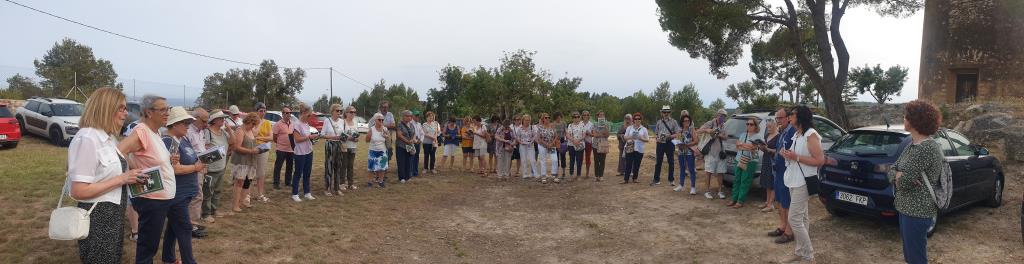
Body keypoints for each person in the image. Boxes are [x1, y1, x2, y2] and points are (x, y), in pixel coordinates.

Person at [67, 87, 144, 263]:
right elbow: (78, 191)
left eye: (126, 108)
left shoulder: (108, 138)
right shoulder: (87, 139)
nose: (126, 113)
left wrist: (131, 174)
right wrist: (122, 178)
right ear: (106, 108)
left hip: (113, 213)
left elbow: (109, 172)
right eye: (121, 108)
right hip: (98, 215)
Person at [118, 94, 178, 264]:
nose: (167, 113)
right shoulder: (142, 131)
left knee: (150, 244)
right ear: (149, 112)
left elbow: (152, 158)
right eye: (163, 109)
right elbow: (119, 151)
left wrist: (168, 160)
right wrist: (135, 170)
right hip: (151, 199)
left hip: (160, 198)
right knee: (147, 247)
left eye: (169, 109)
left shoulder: (155, 131)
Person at [889, 100, 944, 264]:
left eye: (906, 116)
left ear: (915, 120)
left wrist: (899, 176)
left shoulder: (926, 148)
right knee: (910, 254)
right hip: (906, 208)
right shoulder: (912, 145)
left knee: (916, 258)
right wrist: (897, 174)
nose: (903, 119)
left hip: (917, 211)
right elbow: (892, 170)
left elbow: (903, 182)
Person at [779, 105, 826, 263]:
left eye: (792, 114)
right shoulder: (798, 134)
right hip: (794, 178)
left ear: (800, 117)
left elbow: (820, 160)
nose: (789, 116)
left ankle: (808, 256)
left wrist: (796, 157)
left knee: (794, 219)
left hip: (803, 181)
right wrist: (787, 155)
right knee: (803, 218)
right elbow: (794, 156)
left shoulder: (810, 134)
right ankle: (800, 252)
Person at [161, 106, 206, 264]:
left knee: (173, 227)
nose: (188, 125)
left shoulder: (183, 139)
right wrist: (195, 168)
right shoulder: (169, 141)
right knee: (185, 228)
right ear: (174, 124)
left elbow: (191, 159)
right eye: (185, 122)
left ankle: (168, 258)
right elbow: (174, 168)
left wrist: (199, 163)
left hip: (184, 194)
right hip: (176, 195)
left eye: (188, 122)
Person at [768, 108, 797, 244]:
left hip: (787, 172)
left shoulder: (792, 132)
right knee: (779, 200)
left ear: (788, 118)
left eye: (780, 118)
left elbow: (792, 152)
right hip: (778, 171)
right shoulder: (782, 132)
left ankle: (789, 232)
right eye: (777, 118)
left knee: (787, 202)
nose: (778, 121)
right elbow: (780, 150)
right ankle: (782, 225)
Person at [727, 117, 763, 208]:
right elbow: (737, 146)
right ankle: (734, 199)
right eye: (747, 124)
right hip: (739, 159)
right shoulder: (743, 134)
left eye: (751, 124)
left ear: (755, 126)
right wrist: (745, 145)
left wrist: (743, 145)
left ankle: (740, 201)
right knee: (737, 180)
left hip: (750, 161)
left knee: (745, 181)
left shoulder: (758, 136)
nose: (749, 126)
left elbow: (752, 147)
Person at [184, 108, 209, 237]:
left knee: (197, 195)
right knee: (196, 195)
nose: (206, 124)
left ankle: (191, 223)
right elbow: (187, 152)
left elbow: (201, 148)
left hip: (200, 166)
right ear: (196, 118)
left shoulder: (200, 131)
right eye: (204, 121)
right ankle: (191, 226)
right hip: (192, 167)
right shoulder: (188, 132)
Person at [201, 110, 230, 223]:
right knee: (208, 191)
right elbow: (205, 149)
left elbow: (233, 141)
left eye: (224, 118)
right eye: (221, 118)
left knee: (217, 190)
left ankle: (214, 210)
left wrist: (230, 130)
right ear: (214, 120)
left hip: (221, 166)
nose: (223, 120)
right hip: (211, 168)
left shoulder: (223, 132)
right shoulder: (207, 132)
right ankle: (206, 213)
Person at [230, 113, 262, 209]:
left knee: (247, 182)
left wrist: (258, 149)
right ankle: (235, 205)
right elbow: (236, 147)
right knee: (239, 182)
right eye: (253, 124)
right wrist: (251, 151)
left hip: (250, 161)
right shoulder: (240, 130)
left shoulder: (250, 131)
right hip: (241, 161)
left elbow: (251, 144)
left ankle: (242, 202)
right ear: (249, 121)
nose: (254, 126)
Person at [699, 109, 730, 199]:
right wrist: (709, 130)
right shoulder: (710, 123)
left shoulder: (724, 125)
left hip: (721, 153)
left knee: (720, 172)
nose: (722, 117)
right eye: (721, 115)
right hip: (710, 152)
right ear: (717, 115)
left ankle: (720, 191)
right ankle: (707, 191)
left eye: (724, 116)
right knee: (708, 172)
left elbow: (726, 137)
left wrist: (719, 134)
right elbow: (700, 130)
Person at [291, 103, 320, 201]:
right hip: (300, 153)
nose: (310, 116)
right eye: (309, 114)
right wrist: (309, 137)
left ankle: (307, 192)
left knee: (307, 173)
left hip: (309, 151)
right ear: (303, 113)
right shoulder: (297, 124)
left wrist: (313, 139)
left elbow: (307, 138)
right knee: (298, 173)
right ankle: (295, 193)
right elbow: (297, 139)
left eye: (311, 114)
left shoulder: (306, 124)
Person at [320, 104, 347, 196]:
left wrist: (344, 137)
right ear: (332, 111)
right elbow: (322, 135)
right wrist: (333, 137)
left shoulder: (342, 121)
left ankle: (336, 188)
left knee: (338, 167)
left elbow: (344, 134)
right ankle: (327, 189)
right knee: (329, 167)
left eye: (340, 111)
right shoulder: (327, 121)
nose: (339, 113)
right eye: (337, 111)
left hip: (339, 144)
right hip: (330, 144)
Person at [653, 105, 681, 186]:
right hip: (660, 143)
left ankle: (671, 180)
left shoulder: (674, 122)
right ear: (662, 113)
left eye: (667, 112)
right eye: (664, 112)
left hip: (669, 143)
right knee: (658, 162)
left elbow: (678, 133)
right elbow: (656, 133)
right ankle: (656, 179)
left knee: (671, 162)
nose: (666, 113)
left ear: (670, 113)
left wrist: (670, 136)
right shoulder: (659, 122)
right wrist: (657, 138)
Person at [252, 103, 274, 203]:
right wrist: (259, 123)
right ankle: (247, 195)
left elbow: (271, 138)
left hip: (264, 149)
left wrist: (260, 138)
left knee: (261, 173)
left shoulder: (267, 123)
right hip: (252, 149)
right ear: (256, 111)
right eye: (261, 111)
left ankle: (260, 194)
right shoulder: (252, 122)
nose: (263, 113)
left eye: (265, 111)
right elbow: (252, 134)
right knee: (250, 172)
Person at [674, 112, 699, 194]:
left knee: (691, 169)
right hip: (681, 152)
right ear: (682, 122)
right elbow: (677, 141)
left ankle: (693, 187)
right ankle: (681, 185)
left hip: (689, 152)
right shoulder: (679, 131)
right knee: (682, 168)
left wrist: (687, 144)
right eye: (685, 121)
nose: (687, 122)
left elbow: (696, 141)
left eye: (688, 120)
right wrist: (678, 144)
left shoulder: (692, 130)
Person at [758, 119, 780, 212]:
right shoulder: (767, 135)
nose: (768, 128)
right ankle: (767, 202)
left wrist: (769, 149)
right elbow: (765, 149)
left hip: (773, 162)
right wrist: (762, 148)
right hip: (766, 160)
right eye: (767, 126)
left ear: (775, 125)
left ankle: (771, 204)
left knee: (772, 182)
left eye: (770, 126)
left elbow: (779, 151)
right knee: (767, 182)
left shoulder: (779, 136)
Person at [272, 107, 295, 190]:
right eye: (287, 113)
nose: (289, 114)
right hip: (281, 149)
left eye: (290, 113)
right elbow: (274, 137)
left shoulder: (292, 124)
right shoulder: (277, 124)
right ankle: (276, 183)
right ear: (283, 114)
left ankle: (288, 182)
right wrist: (280, 143)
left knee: (290, 166)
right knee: (278, 166)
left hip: (291, 149)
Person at [338, 106, 360, 190]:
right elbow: (340, 135)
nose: (353, 114)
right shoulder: (342, 122)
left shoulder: (355, 122)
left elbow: (357, 133)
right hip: (344, 147)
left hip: (353, 147)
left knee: (350, 166)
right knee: (344, 165)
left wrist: (356, 139)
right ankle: (342, 183)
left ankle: (350, 183)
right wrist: (349, 138)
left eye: (354, 112)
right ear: (346, 113)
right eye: (351, 112)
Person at [622, 113, 648, 184]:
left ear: (641, 120)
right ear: (633, 120)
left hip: (639, 149)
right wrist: (631, 137)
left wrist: (640, 138)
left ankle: (635, 178)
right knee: (628, 164)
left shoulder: (644, 129)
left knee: (637, 164)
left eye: (639, 119)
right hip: (630, 147)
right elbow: (625, 137)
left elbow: (647, 140)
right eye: (636, 119)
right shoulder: (629, 128)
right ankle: (626, 179)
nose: (637, 120)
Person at [535, 113, 559, 183]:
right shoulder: (540, 127)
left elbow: (556, 136)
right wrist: (546, 144)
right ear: (543, 119)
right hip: (542, 146)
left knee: (555, 160)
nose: (547, 119)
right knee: (543, 161)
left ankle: (554, 175)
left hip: (552, 146)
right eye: (546, 118)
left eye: (548, 117)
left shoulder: (552, 126)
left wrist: (551, 144)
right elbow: (539, 138)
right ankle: (544, 176)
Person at [367, 113, 389, 187]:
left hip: (382, 151)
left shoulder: (385, 129)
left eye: (382, 120)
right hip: (373, 151)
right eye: (379, 119)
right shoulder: (372, 129)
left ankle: (380, 181)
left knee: (382, 167)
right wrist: (369, 135)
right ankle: (370, 182)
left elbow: (388, 139)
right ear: (375, 120)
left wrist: (386, 136)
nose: (381, 121)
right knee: (371, 168)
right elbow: (367, 140)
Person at [396, 110, 418, 183]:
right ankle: (401, 177)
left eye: (410, 116)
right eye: (407, 116)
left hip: (410, 145)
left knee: (409, 161)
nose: (409, 117)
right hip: (401, 146)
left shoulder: (411, 125)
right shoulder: (399, 124)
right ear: (403, 116)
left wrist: (413, 139)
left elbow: (414, 133)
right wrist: (408, 141)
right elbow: (399, 135)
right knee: (401, 161)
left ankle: (408, 176)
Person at [517, 114, 540, 179]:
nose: (527, 121)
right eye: (526, 120)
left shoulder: (532, 127)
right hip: (522, 145)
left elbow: (535, 136)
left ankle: (536, 173)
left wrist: (531, 142)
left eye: (528, 120)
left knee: (533, 160)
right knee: (524, 160)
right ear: (523, 120)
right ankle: (525, 174)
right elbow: (518, 137)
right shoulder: (520, 128)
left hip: (530, 145)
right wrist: (521, 142)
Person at [591, 111, 611, 182]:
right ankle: (597, 176)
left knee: (602, 161)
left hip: (603, 144)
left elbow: (607, 135)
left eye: (603, 115)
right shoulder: (594, 124)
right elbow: (594, 135)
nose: (602, 116)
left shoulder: (607, 124)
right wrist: (602, 134)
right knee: (596, 161)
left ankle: (601, 175)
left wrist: (605, 128)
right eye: (600, 115)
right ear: (597, 116)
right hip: (595, 145)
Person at [566, 112, 586, 181]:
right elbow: (568, 135)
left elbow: (584, 135)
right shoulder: (570, 126)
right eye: (574, 117)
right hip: (571, 145)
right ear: (572, 118)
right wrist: (573, 141)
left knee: (579, 160)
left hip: (580, 145)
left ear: (579, 117)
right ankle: (571, 175)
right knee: (572, 160)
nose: (576, 118)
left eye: (578, 117)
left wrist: (578, 140)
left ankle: (578, 175)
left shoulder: (582, 125)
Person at [552, 112, 568, 177]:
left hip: (562, 140)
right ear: (555, 118)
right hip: (554, 141)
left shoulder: (564, 123)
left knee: (563, 156)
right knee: (555, 157)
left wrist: (566, 138)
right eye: (557, 118)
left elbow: (566, 131)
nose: (559, 119)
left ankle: (563, 172)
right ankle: (556, 172)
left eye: (560, 117)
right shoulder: (552, 124)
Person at [581, 110, 594, 178]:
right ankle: (579, 173)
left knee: (588, 158)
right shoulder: (579, 123)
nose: (585, 116)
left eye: (587, 115)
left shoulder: (591, 124)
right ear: (582, 116)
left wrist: (589, 133)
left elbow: (593, 134)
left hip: (588, 142)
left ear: (589, 116)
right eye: (584, 115)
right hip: (580, 142)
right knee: (579, 158)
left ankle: (587, 172)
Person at [412, 113, 424, 177]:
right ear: (413, 116)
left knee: (416, 157)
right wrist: (415, 140)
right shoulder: (410, 123)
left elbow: (422, 133)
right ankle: (410, 171)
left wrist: (420, 140)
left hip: (418, 143)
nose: (418, 117)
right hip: (412, 142)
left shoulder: (419, 124)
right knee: (411, 157)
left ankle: (415, 172)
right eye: (416, 116)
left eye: (418, 116)